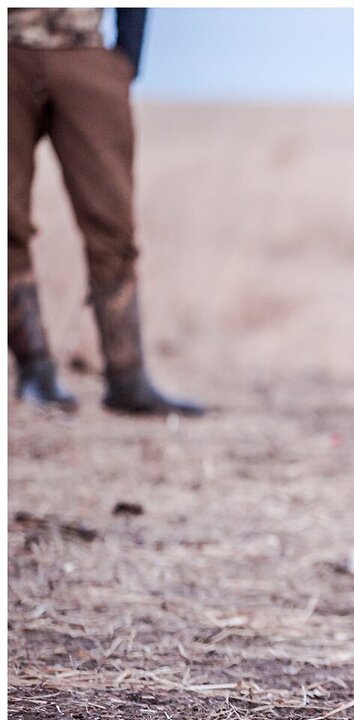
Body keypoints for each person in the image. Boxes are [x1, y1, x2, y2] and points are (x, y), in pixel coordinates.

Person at [8, 8, 204, 416]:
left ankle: (128, 376)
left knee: (113, 223)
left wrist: (125, 59)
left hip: (85, 50)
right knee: (6, 220)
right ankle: (35, 372)